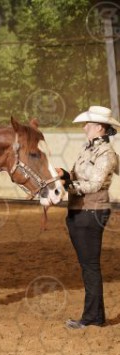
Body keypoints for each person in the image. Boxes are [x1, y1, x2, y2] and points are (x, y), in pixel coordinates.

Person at [57, 106, 119, 329]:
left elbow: (93, 184)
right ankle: (96, 317)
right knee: (88, 266)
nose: (84, 128)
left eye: (87, 124)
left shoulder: (106, 153)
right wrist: (64, 174)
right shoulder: (87, 148)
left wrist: (67, 185)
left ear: (99, 127)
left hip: (91, 211)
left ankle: (92, 318)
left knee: (90, 266)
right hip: (79, 210)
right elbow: (77, 175)